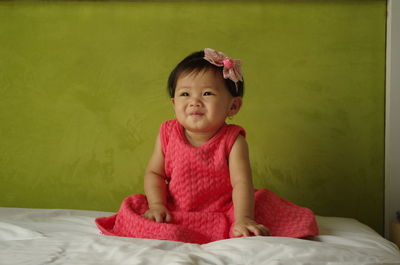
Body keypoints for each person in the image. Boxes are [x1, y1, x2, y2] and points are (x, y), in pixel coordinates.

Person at [95, 48, 319, 244]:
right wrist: (156, 205)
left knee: (259, 219)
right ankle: (169, 222)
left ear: (233, 106)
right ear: (174, 103)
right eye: (185, 94)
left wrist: (243, 218)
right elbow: (154, 173)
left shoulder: (233, 140)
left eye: (207, 93)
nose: (194, 101)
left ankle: (239, 221)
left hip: (223, 209)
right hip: (176, 208)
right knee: (134, 211)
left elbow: (241, 184)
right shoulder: (168, 132)